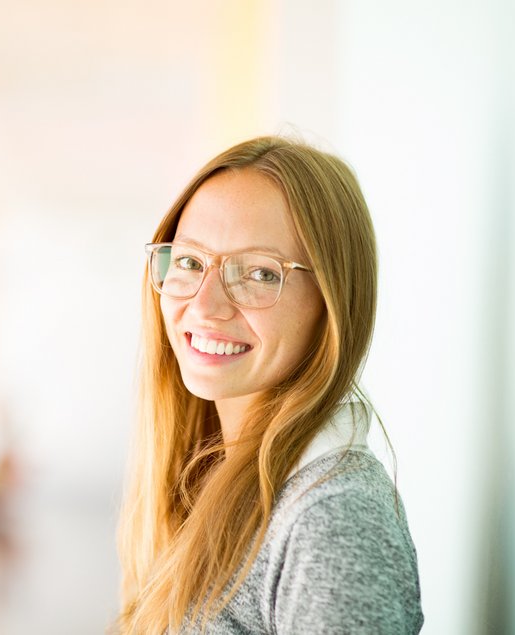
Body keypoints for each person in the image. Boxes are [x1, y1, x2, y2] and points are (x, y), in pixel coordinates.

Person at [116, 136, 423, 634]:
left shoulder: (334, 520)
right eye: (190, 262)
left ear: (331, 302)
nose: (205, 306)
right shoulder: (207, 470)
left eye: (259, 273)